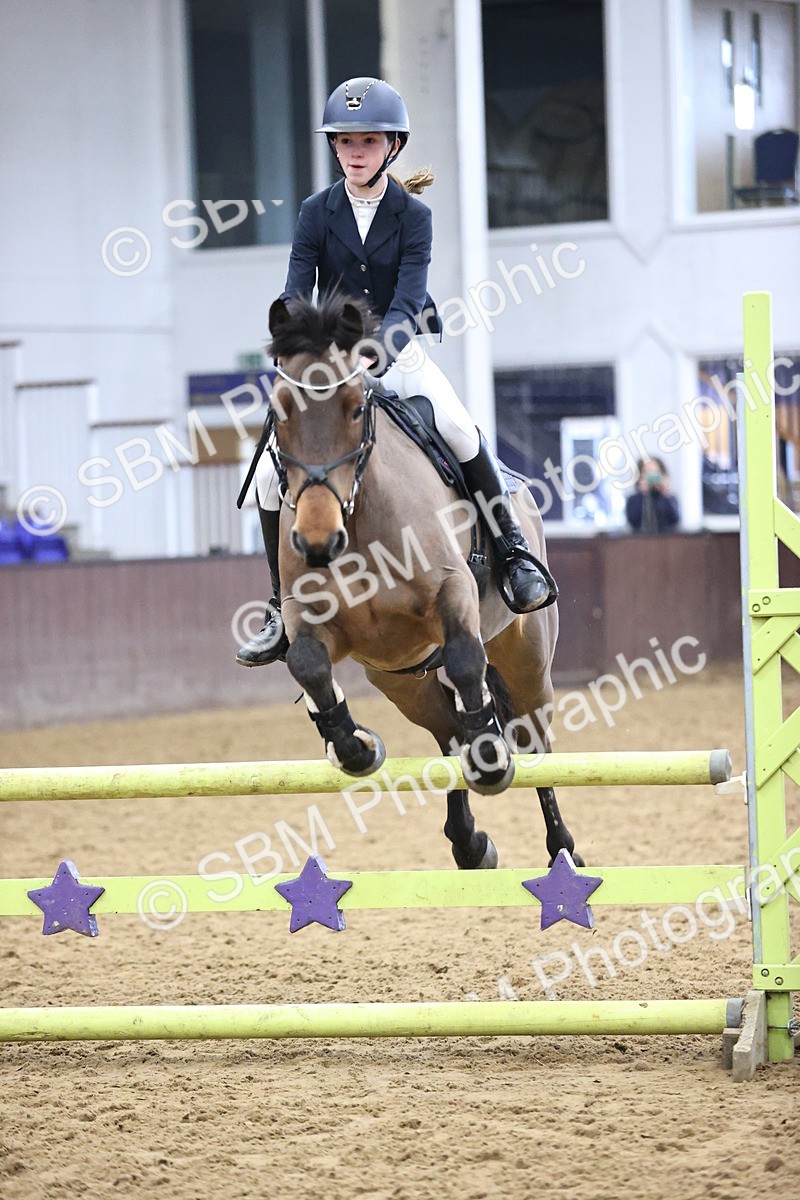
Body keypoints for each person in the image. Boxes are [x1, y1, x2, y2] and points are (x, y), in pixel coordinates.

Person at [237, 76, 553, 667]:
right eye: (345, 142)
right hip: (329, 366)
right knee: (262, 478)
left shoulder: (413, 216)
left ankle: (512, 553)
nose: (354, 151)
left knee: (459, 430)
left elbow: (409, 299)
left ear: (392, 147)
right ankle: (282, 607)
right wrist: (293, 342)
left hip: (396, 353)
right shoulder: (314, 212)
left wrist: (376, 350)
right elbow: (295, 286)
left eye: (367, 141)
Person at [626, 457, 680, 534]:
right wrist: (643, 494)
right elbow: (633, 521)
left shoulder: (669, 498)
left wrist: (665, 493)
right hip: (640, 541)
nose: (651, 477)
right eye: (647, 472)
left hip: (666, 540)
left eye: (655, 472)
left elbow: (675, 520)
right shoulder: (633, 499)